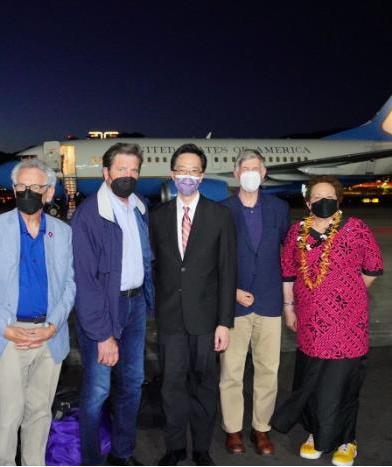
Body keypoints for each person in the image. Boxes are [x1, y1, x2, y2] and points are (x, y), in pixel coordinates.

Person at [0, 158, 76, 465]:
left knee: (39, 415)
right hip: (9, 337)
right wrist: (6, 328)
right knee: (6, 419)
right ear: (14, 190)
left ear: (49, 192)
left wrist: (53, 325)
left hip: (49, 336)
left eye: (35, 187)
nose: (27, 192)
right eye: (21, 186)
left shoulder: (62, 232)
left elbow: (70, 284)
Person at [270, 175, 383, 467]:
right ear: (308, 203)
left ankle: (347, 440)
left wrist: (346, 295)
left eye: (329, 197)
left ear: (339, 200)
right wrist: (289, 309)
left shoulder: (356, 228)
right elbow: (288, 273)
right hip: (310, 322)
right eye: (317, 198)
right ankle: (315, 434)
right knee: (312, 379)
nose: (323, 202)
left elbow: (372, 268)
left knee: (343, 381)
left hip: (348, 324)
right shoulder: (297, 233)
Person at [150, 143, 237, 466]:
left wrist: (224, 322)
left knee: (204, 386)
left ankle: (201, 448)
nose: (187, 176)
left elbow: (228, 272)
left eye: (194, 171)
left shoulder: (220, 216)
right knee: (171, 385)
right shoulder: (157, 216)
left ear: (202, 176)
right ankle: (175, 447)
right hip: (171, 319)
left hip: (206, 320)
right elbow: (155, 268)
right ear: (172, 175)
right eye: (182, 171)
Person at [71, 142, 155, 466]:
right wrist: (103, 335)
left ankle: (121, 454)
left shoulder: (140, 207)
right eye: (121, 169)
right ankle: (92, 460)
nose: (128, 176)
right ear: (106, 173)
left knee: (132, 384)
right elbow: (86, 282)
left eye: (134, 170)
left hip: (135, 306)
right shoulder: (89, 215)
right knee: (98, 391)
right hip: (104, 310)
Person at [219, 149, 290, 456]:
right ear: (236, 174)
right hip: (234, 304)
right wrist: (231, 290)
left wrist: (289, 301)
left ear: (264, 173)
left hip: (270, 301)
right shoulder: (223, 210)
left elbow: (288, 253)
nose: (250, 173)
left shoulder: (279, 208)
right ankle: (233, 429)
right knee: (231, 371)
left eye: (255, 168)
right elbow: (215, 259)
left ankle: (261, 428)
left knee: (268, 370)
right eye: (244, 168)